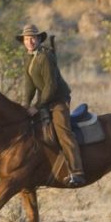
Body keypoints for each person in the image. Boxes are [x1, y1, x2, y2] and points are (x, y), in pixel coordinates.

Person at [17, 23, 85, 187]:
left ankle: (77, 172)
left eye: (32, 38)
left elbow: (51, 86)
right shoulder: (29, 58)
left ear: (39, 39)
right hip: (45, 101)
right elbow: (29, 84)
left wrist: (37, 106)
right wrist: (26, 104)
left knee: (63, 132)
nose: (30, 41)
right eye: (27, 39)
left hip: (58, 100)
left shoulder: (45, 56)